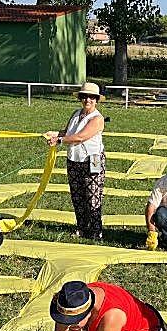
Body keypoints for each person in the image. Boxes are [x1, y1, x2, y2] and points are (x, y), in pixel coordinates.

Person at [44, 82, 105, 240]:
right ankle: (82, 227)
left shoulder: (97, 119)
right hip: (73, 159)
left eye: (91, 97)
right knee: (77, 196)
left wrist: (59, 141)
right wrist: (55, 134)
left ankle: (96, 230)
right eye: (84, 96)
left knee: (93, 196)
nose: (87, 100)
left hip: (94, 160)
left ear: (96, 100)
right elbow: (69, 132)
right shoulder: (76, 114)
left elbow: (80, 137)